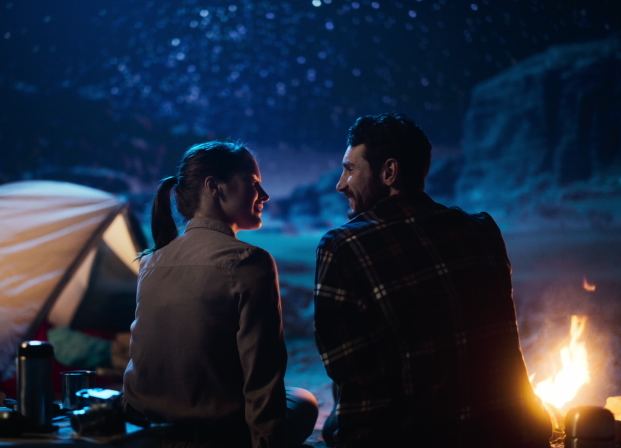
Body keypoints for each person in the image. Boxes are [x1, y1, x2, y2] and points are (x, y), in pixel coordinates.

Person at [314, 114, 553, 447]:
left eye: (351, 169)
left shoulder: (343, 247)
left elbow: (355, 381)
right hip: (511, 432)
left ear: (389, 173)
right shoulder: (482, 229)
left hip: (419, 436)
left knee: (331, 426)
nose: (341, 184)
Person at [123, 140, 318, 448]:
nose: (265, 196)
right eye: (253, 183)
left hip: (150, 426)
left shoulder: (150, 261)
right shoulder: (249, 261)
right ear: (214, 186)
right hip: (218, 432)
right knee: (303, 400)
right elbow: (262, 371)